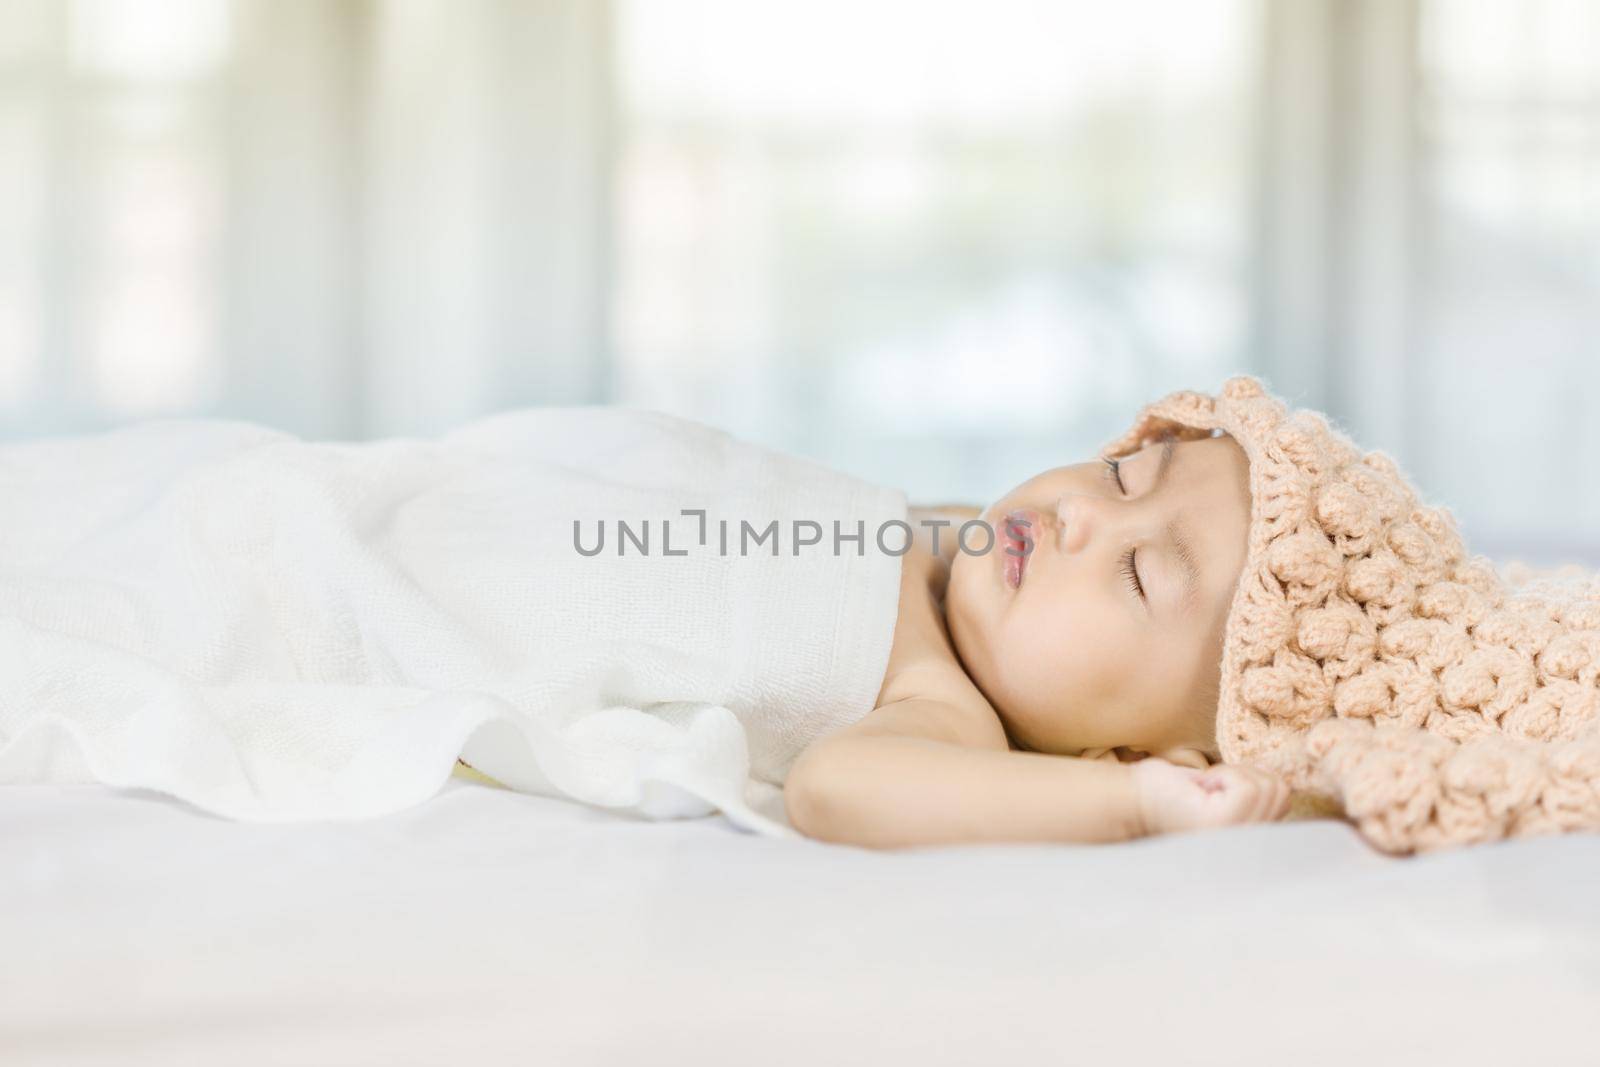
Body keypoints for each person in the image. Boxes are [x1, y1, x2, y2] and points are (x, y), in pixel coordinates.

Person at [785, 422, 1292, 847]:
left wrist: (1137, 801)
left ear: (1133, 757)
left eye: (1138, 572)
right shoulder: (965, 544)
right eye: (1121, 475)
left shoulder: (947, 709)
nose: (1079, 510)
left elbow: (828, 786)